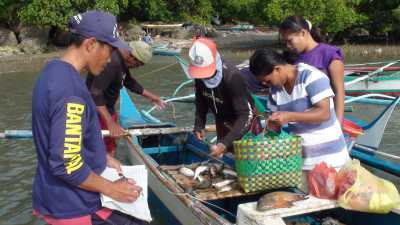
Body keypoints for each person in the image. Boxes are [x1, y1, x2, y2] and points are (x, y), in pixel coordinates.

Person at [31, 10, 146, 225]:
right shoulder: (70, 91)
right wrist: (113, 189)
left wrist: (101, 157)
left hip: (58, 196)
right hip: (76, 206)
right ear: (91, 44)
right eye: (110, 50)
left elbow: (66, 140)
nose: (110, 58)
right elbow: (68, 163)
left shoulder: (52, 72)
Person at [249, 49, 350, 173]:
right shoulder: (275, 89)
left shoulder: (311, 76)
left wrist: (290, 116)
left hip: (331, 160)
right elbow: (273, 124)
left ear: (278, 69)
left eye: (268, 80)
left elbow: (324, 113)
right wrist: (270, 126)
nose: (266, 84)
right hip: (301, 161)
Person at [86, 40, 166, 157]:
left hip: (108, 109)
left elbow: (129, 81)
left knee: (110, 145)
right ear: (132, 57)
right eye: (138, 65)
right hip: (97, 112)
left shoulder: (122, 62)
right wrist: (110, 122)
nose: (137, 68)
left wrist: (152, 97)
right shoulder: (112, 63)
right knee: (105, 147)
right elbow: (95, 94)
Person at [189, 38, 261, 158]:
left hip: (244, 127)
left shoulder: (233, 77)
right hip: (222, 122)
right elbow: (201, 101)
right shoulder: (199, 77)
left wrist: (225, 143)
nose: (203, 77)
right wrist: (199, 125)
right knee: (223, 161)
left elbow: (245, 115)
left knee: (247, 164)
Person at [279, 15, 345, 123]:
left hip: (326, 119)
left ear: (303, 33)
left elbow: (339, 92)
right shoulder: (295, 60)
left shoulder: (329, 54)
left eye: (290, 41)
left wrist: (338, 124)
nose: (288, 46)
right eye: (285, 42)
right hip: (303, 122)